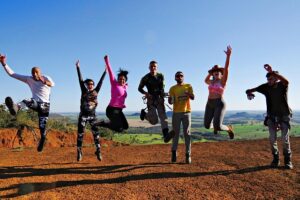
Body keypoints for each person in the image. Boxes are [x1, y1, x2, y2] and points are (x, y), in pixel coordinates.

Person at [0, 54, 55, 152]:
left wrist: (45, 82)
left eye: (36, 72)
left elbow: (52, 84)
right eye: (33, 72)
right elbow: (12, 74)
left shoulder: (46, 77)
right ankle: (15, 108)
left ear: (40, 73)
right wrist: (4, 64)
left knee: (42, 127)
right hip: (35, 103)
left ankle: (42, 139)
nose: (34, 74)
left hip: (45, 106)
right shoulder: (28, 79)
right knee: (27, 100)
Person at [246, 64, 293, 169]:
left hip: (284, 116)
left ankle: (288, 161)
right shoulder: (266, 87)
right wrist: (248, 94)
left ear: (276, 78)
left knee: (285, 139)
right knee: (272, 139)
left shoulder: (282, 85)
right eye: (268, 79)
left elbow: (287, 82)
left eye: (271, 78)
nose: (269, 81)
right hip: (272, 117)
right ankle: (276, 159)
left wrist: (273, 72)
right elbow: (249, 90)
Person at [75, 60, 106, 161]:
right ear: (86, 85)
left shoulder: (96, 91)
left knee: (96, 135)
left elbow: (101, 82)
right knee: (80, 134)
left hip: (93, 116)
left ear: (93, 85)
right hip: (83, 116)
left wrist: (105, 71)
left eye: (92, 84)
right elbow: (80, 79)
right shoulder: (83, 90)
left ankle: (98, 151)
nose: (90, 85)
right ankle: (79, 152)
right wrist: (78, 68)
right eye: (88, 84)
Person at [138, 60, 174, 143]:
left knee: (164, 118)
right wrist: (146, 93)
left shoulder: (161, 76)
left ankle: (166, 136)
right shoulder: (145, 78)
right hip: (150, 100)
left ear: (156, 68)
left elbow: (162, 87)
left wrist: (162, 95)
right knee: (154, 121)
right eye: (151, 66)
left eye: (154, 66)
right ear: (149, 67)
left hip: (159, 99)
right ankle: (144, 115)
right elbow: (139, 88)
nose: (153, 68)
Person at [204, 45, 234, 139]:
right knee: (207, 126)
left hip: (219, 103)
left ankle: (228, 129)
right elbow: (205, 81)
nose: (216, 72)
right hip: (209, 103)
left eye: (218, 71)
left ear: (221, 74)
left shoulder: (222, 81)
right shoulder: (211, 81)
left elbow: (227, 68)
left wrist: (228, 56)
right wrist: (210, 72)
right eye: (215, 71)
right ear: (213, 74)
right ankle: (214, 126)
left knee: (218, 126)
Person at [96, 55, 129, 132]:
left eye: (123, 79)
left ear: (125, 80)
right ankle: (104, 123)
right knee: (119, 129)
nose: (122, 80)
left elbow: (126, 86)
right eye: (120, 79)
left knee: (125, 126)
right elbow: (110, 72)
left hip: (119, 110)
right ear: (117, 79)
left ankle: (109, 123)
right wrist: (107, 61)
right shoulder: (114, 83)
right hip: (111, 110)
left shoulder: (125, 87)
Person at [168, 71, 194, 164]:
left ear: (183, 77)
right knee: (175, 134)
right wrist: (170, 99)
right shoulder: (172, 88)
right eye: (177, 76)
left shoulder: (188, 86)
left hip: (187, 113)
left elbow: (193, 97)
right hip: (176, 113)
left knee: (187, 133)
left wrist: (188, 94)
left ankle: (188, 155)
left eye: (181, 76)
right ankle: (174, 153)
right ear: (175, 78)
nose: (179, 77)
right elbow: (170, 101)